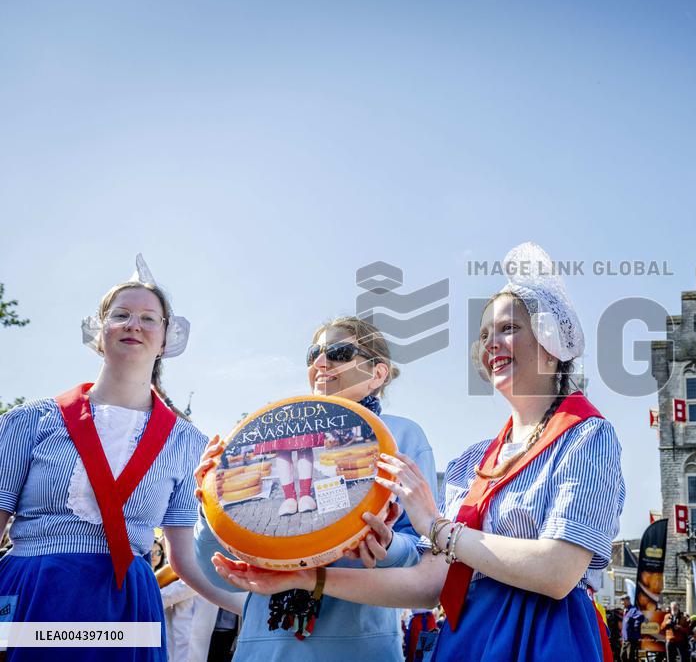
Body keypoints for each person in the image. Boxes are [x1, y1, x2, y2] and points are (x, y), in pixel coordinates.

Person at [211, 242, 626, 661]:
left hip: (544, 635)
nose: (491, 344)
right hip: (470, 635)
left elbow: (556, 572)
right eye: (484, 334)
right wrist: (303, 577)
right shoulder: (473, 461)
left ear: (552, 340)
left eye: (508, 329)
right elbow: (429, 587)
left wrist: (436, 528)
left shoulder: (586, 436)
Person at [0, 255, 238, 662]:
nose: (134, 324)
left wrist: (248, 604)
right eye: (121, 314)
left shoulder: (187, 442)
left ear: (166, 338)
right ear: (99, 331)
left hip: (127, 603)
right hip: (34, 590)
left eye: (149, 318)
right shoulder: (27, 422)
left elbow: (184, 560)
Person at [192, 315, 437, 660]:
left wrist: (388, 546)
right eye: (313, 354)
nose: (321, 363)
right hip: (263, 648)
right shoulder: (266, 438)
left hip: (357, 648)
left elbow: (425, 559)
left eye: (338, 352)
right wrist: (211, 508)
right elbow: (216, 572)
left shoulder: (401, 436)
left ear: (377, 374)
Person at [158, 536, 218, 662]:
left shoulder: (201, 559)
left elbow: (184, 588)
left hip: (190, 628)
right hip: (179, 625)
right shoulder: (183, 557)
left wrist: (149, 598)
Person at [622, 595, 645, 662]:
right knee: (623, 656)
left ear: (628, 601)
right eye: (621, 600)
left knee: (630, 657)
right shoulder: (626, 610)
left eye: (623, 600)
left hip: (631, 639)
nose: (622, 602)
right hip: (625, 639)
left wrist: (635, 627)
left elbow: (641, 616)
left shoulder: (633, 610)